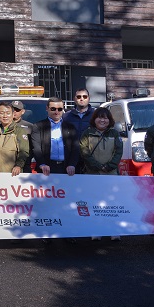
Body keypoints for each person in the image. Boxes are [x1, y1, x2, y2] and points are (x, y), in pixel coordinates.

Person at [79, 107, 123, 241]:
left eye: (105, 118)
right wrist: (98, 166)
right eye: (99, 117)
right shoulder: (87, 133)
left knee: (112, 203)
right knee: (94, 202)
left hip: (111, 174)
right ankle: (96, 230)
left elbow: (118, 152)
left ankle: (113, 230)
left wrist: (110, 166)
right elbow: (84, 151)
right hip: (92, 174)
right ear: (94, 119)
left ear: (109, 120)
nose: (102, 120)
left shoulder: (115, 134)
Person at [31, 97, 79, 176]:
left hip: (66, 169)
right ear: (47, 108)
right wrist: (42, 164)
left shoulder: (70, 127)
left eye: (59, 109)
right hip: (46, 168)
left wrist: (72, 164)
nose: (56, 112)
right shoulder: (38, 126)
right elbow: (36, 148)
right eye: (53, 109)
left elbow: (75, 148)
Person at [0, 102, 29, 176]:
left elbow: (24, 152)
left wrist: (18, 165)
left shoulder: (19, 131)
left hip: (12, 175)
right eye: (2, 113)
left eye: (8, 113)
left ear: (12, 114)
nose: (5, 116)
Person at [63, 88, 95, 174]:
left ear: (89, 98)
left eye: (84, 96)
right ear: (74, 99)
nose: (81, 99)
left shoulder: (96, 115)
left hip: (91, 155)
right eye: (79, 96)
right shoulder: (66, 116)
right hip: (71, 157)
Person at [12, 100, 34, 173]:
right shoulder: (1, 126)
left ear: (23, 111)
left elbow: (33, 146)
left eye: (17, 110)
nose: (14, 111)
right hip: (7, 163)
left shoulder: (29, 127)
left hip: (25, 164)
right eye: (12, 109)